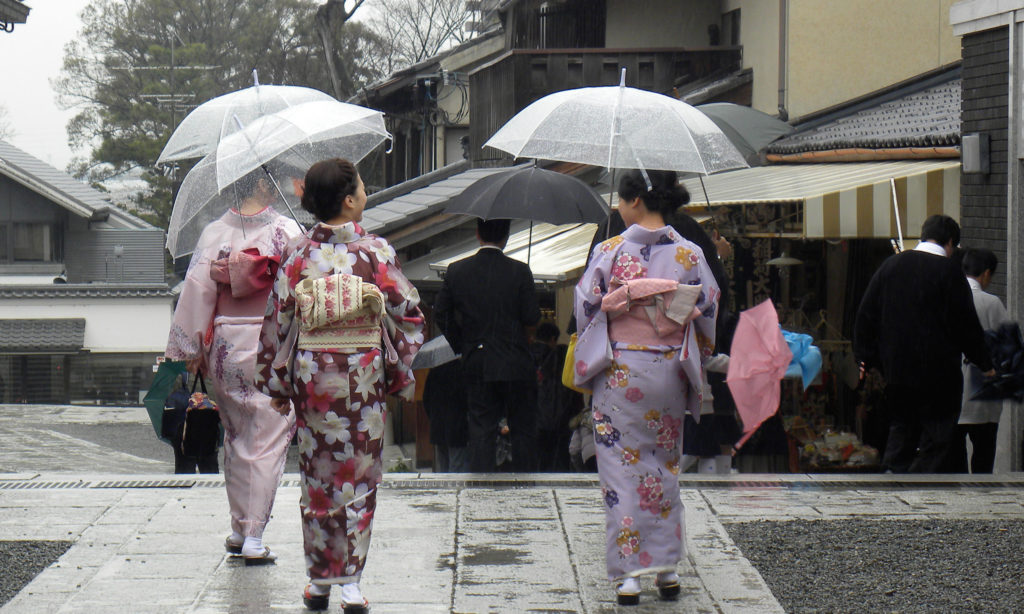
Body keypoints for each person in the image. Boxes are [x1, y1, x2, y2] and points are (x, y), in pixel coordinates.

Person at [255, 158, 423, 613]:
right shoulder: (375, 252)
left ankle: (319, 581)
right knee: (361, 476)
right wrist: (398, 363)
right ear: (349, 201)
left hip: (313, 379)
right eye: (362, 187)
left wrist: (274, 379)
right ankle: (351, 584)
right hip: (361, 377)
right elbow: (407, 310)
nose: (366, 192)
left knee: (318, 475)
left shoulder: (297, 255)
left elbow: (278, 320)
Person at [574, 169, 719, 606]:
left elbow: (585, 307)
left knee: (620, 466)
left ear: (636, 201)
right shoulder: (690, 253)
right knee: (664, 464)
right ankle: (669, 568)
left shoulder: (611, 250)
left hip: (621, 368)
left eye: (620, 198)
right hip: (670, 369)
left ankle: (630, 575)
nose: (617, 206)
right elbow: (708, 308)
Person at [165, 169, 301, 564]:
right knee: (270, 438)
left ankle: (239, 527)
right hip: (267, 339)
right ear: (261, 185)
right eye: (271, 179)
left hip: (225, 345)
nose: (276, 185)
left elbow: (197, 292)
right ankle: (255, 534)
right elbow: (300, 289)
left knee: (238, 437)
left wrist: (190, 346)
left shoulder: (214, 233)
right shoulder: (287, 231)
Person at [853, 214, 994, 473]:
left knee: (902, 428)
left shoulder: (890, 266)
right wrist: (985, 362)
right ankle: (924, 488)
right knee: (937, 438)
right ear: (950, 243)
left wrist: (867, 358)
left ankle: (894, 479)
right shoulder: (950, 272)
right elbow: (966, 326)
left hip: (896, 372)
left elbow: (866, 315)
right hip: (939, 374)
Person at [434, 218, 541, 472]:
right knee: (522, 427)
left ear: (477, 234)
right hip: (516, 359)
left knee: (481, 427)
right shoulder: (520, 270)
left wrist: (463, 344)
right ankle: (527, 484)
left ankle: (482, 485)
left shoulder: (457, 271)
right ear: (506, 237)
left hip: (478, 358)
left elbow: (441, 313)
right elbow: (532, 317)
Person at [953, 248, 1010, 473]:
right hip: (984, 391)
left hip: (954, 390)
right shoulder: (991, 303)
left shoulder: (950, 296)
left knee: (955, 456)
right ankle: (983, 497)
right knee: (983, 457)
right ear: (986, 274)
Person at [530, 321, 577, 472]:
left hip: (530, 418)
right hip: (554, 420)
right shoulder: (558, 356)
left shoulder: (524, 353)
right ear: (552, 339)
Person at [422, 359, 470, 472]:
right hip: (457, 425)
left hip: (438, 425)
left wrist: (433, 417)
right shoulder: (461, 370)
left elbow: (426, 399)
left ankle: (444, 489)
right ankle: (455, 490)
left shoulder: (434, 372)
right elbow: (466, 398)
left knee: (442, 465)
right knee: (457, 465)